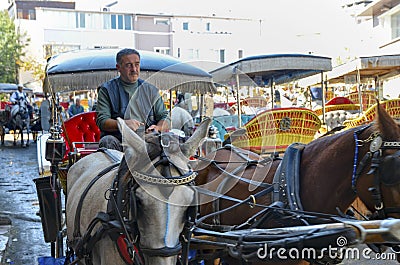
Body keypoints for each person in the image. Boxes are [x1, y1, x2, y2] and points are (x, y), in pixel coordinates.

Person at [96, 48, 169, 151]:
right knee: (107, 141)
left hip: (146, 139)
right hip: (119, 140)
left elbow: (165, 116)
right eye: (128, 65)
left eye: (137, 64)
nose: (134, 69)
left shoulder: (151, 90)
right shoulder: (106, 90)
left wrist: (158, 128)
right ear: (118, 68)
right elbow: (102, 121)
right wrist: (123, 124)